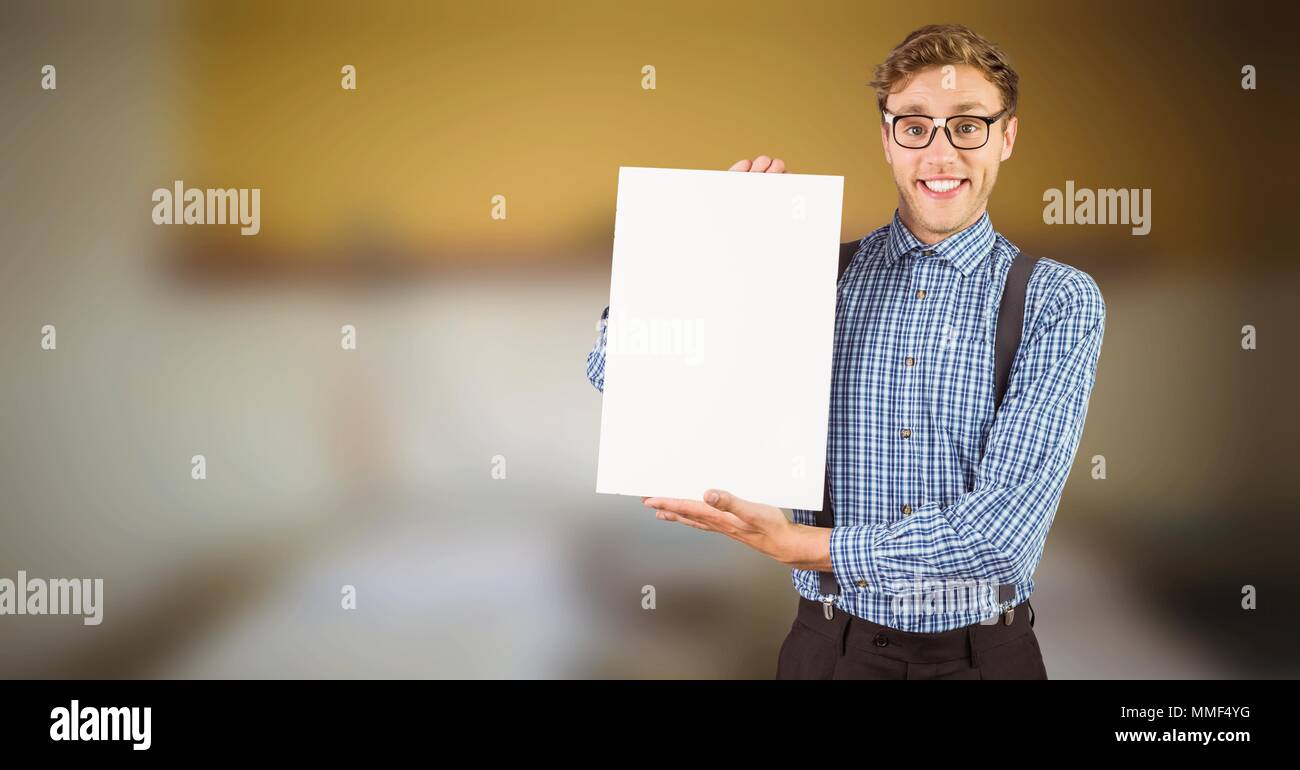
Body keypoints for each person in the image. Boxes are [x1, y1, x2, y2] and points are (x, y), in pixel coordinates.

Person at [585, 24, 1105, 679]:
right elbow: (620, 375)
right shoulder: (808, 277)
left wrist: (801, 545)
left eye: (967, 126)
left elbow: (999, 543)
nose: (940, 154)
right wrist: (711, 245)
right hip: (829, 652)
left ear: (1007, 136)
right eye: (915, 126)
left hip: (985, 657)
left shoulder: (1055, 299)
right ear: (886, 139)